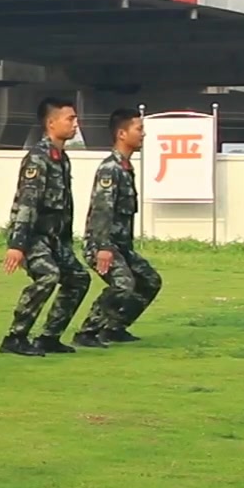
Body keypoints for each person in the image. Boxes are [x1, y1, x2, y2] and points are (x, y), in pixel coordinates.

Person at [1, 96, 92, 356]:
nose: (76, 124)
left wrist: (66, 242)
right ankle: (15, 337)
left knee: (78, 278)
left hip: (56, 239)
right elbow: (28, 203)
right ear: (51, 123)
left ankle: (49, 337)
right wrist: (17, 245)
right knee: (48, 276)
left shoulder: (61, 158)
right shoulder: (38, 159)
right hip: (34, 237)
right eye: (70, 119)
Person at [74, 108, 162, 347]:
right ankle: (87, 332)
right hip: (103, 245)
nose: (143, 134)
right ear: (122, 134)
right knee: (123, 284)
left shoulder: (125, 168)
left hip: (122, 247)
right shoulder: (110, 169)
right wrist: (103, 247)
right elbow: (102, 210)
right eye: (139, 129)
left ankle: (114, 327)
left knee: (150, 281)